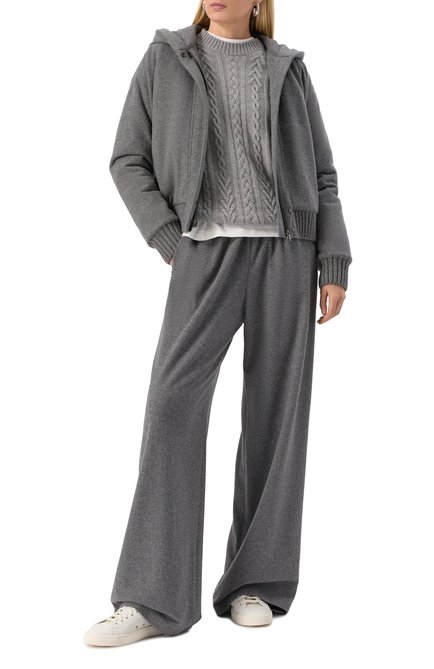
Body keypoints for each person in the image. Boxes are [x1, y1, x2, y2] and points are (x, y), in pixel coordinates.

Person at [84, 0, 352, 646]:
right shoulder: (166, 57)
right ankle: (152, 597)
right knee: (172, 405)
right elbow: (126, 158)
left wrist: (333, 257)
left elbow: (322, 174)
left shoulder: (289, 68)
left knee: (275, 415)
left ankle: (254, 582)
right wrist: (166, 234)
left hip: (287, 251)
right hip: (203, 252)